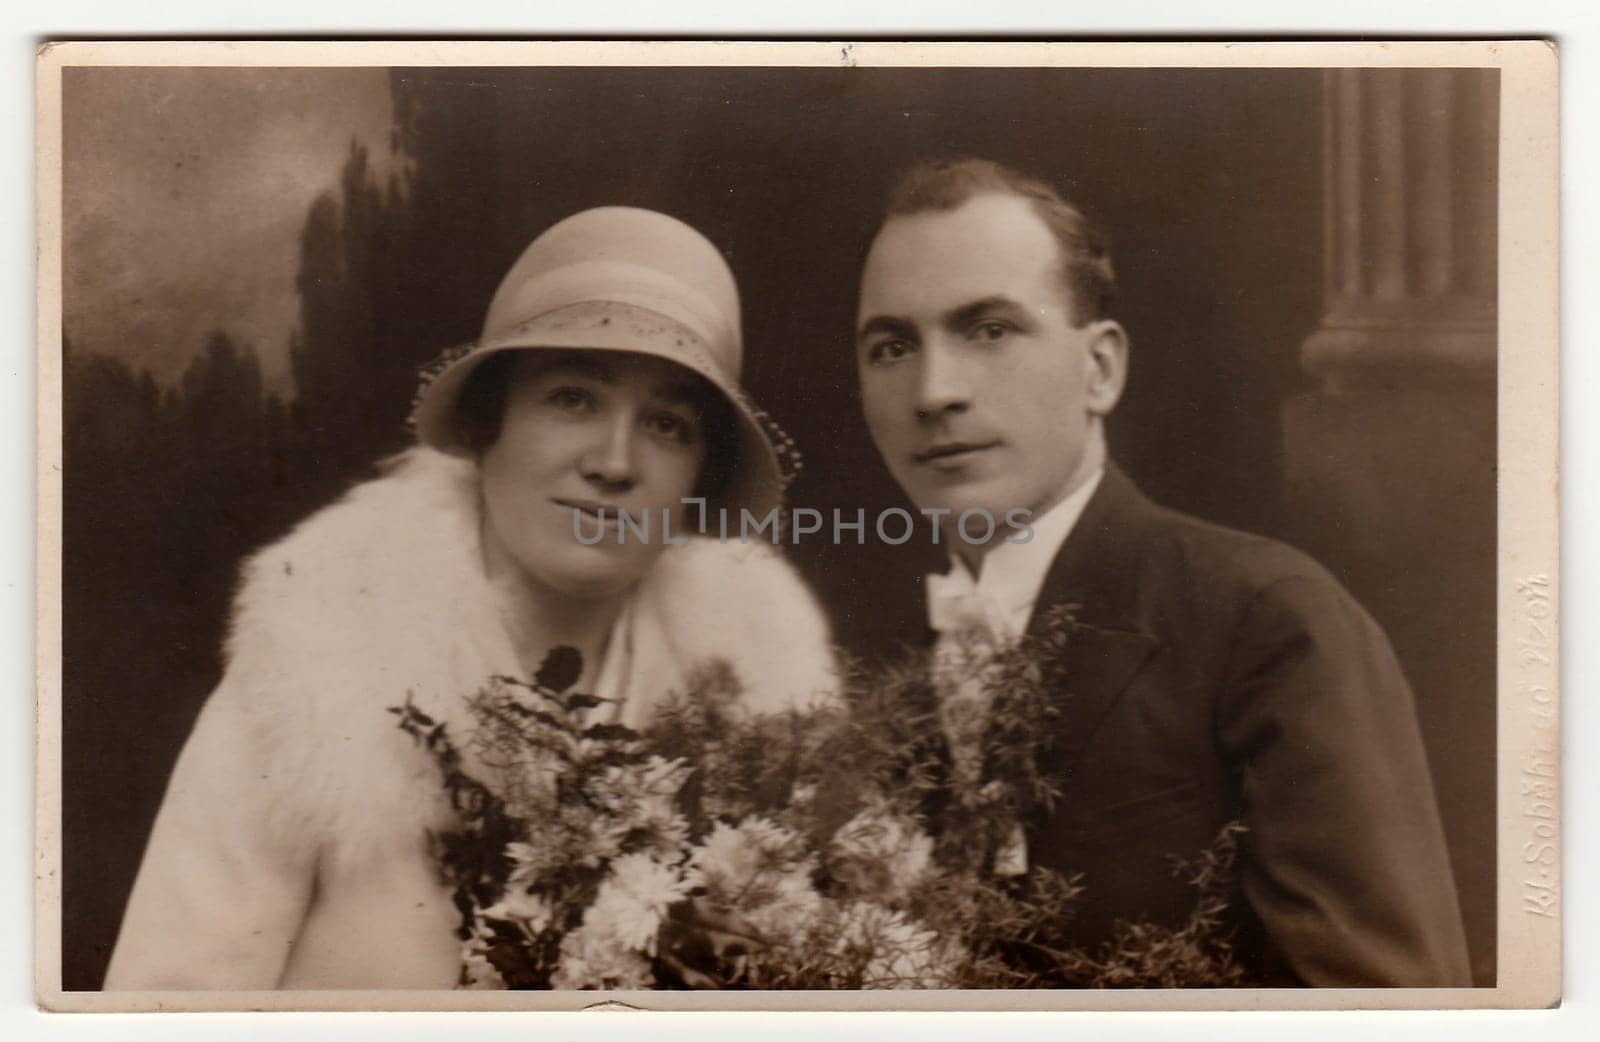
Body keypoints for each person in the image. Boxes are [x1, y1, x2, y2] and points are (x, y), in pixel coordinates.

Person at [105, 207, 837, 990]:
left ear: (699, 477)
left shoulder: (753, 693)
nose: (615, 463)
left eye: (666, 424)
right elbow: (165, 1002)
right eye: (574, 399)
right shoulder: (319, 662)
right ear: (491, 425)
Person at [852, 157, 1472, 986]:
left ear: (1100, 369)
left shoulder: (1267, 623)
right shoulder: (888, 671)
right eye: (892, 347)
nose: (933, 391)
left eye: (989, 330)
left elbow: (1383, 1010)